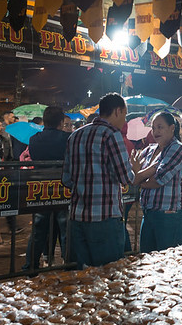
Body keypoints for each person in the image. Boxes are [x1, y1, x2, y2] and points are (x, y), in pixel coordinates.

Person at [63, 93, 134, 267]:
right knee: (107, 278)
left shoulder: (75, 136)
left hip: (77, 217)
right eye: (124, 115)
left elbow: (67, 178)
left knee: (82, 281)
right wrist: (135, 169)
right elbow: (125, 177)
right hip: (105, 219)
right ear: (117, 111)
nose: (124, 121)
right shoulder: (111, 135)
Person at [131, 112, 182, 253]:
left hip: (169, 215)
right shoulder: (149, 150)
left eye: (160, 127)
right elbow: (131, 174)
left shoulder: (177, 149)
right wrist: (141, 175)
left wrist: (138, 178)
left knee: (166, 265)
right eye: (153, 128)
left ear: (171, 128)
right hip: (149, 213)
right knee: (146, 261)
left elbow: (157, 180)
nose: (155, 131)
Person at [23, 106, 70, 272]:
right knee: (66, 231)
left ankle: (31, 266)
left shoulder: (34, 139)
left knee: (38, 231)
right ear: (60, 122)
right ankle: (69, 266)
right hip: (63, 190)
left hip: (40, 190)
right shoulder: (67, 138)